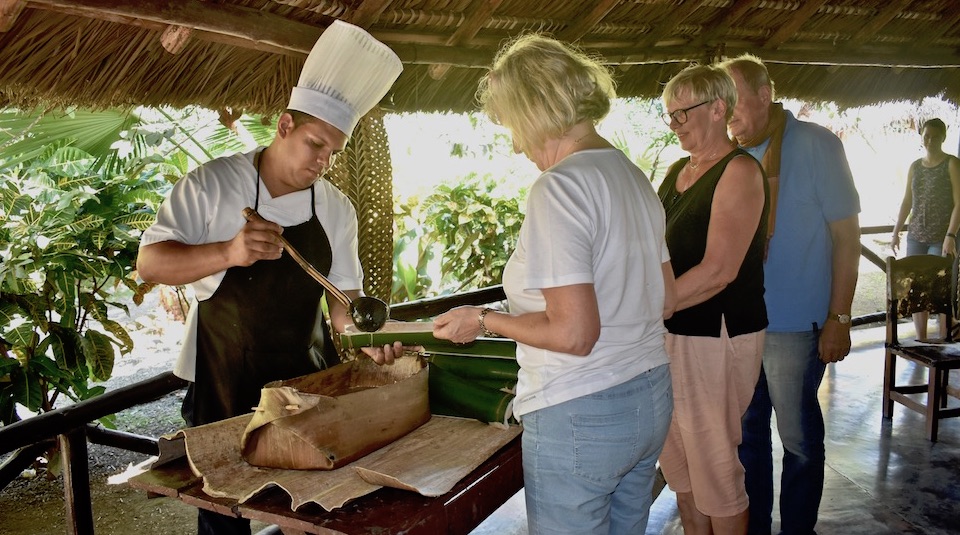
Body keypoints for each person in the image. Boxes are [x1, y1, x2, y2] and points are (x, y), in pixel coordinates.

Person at [137, 21, 405, 535]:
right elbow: (149, 263)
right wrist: (228, 252)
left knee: (309, 506)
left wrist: (371, 340)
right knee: (224, 512)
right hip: (221, 382)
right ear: (284, 126)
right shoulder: (212, 185)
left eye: (333, 153)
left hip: (307, 382)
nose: (323, 162)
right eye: (314, 144)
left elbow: (341, 303)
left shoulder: (336, 208)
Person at [408, 34, 676, 534]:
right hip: (650, 396)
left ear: (535, 110)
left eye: (511, 124)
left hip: (582, 410)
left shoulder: (560, 186)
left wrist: (484, 320)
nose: (513, 142)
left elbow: (575, 334)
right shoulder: (633, 177)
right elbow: (669, 298)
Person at [719, 54, 861, 535]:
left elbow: (847, 237)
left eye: (736, 97)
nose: (729, 110)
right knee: (748, 438)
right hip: (740, 326)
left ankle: (798, 529)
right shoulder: (731, 156)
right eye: (722, 100)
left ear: (765, 94)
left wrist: (839, 317)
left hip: (796, 327)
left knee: (798, 440)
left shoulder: (817, 144)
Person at [655, 64, 768, 535]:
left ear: (718, 108)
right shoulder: (679, 171)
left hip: (714, 333)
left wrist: (648, 307)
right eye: (669, 116)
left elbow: (719, 271)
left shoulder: (739, 170)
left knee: (714, 466)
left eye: (683, 113)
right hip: (671, 331)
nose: (676, 124)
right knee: (681, 466)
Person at [891, 118, 960, 340]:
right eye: (926, 136)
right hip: (916, 235)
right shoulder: (915, 166)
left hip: (941, 236)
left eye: (935, 136)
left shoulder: (951, 163)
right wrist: (896, 231)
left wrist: (951, 234)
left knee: (940, 288)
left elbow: (959, 202)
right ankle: (921, 340)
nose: (930, 140)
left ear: (943, 137)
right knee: (916, 288)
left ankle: (944, 339)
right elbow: (907, 201)